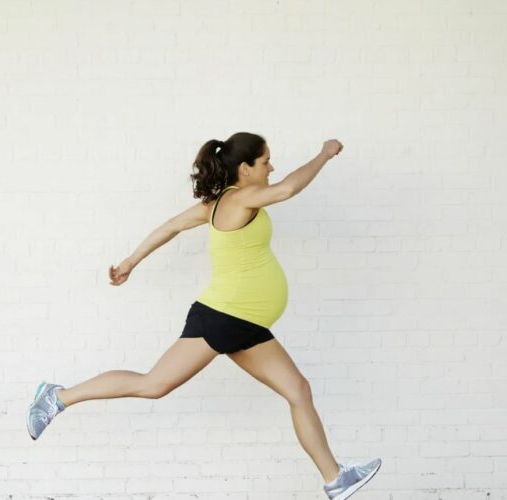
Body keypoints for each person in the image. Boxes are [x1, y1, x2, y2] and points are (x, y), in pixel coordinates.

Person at [26, 132, 381, 500]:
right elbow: (288, 189)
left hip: (247, 324)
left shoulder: (216, 205)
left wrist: (132, 261)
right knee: (154, 385)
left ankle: (335, 478)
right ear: (245, 169)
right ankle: (58, 397)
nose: (272, 167)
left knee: (298, 391)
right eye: (265, 161)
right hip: (223, 316)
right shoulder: (242, 198)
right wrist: (324, 154)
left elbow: (171, 226)